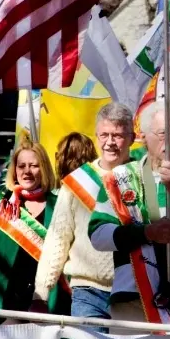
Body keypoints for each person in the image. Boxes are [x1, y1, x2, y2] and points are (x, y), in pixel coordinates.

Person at [89, 106, 170, 326]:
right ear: (144, 137)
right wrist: (146, 233)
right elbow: (98, 236)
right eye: (163, 133)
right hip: (132, 299)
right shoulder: (120, 178)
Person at [34, 104, 130, 325]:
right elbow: (58, 238)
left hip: (134, 294)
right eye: (104, 135)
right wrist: (41, 293)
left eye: (117, 135)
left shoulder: (145, 178)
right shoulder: (77, 183)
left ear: (131, 138)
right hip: (87, 293)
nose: (110, 142)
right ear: (96, 136)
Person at [0, 141, 71, 316]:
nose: (27, 171)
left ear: (44, 169)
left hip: (49, 303)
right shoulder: (0, 207)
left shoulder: (60, 205)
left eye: (34, 166)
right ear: (14, 170)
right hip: (6, 304)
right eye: (21, 166)